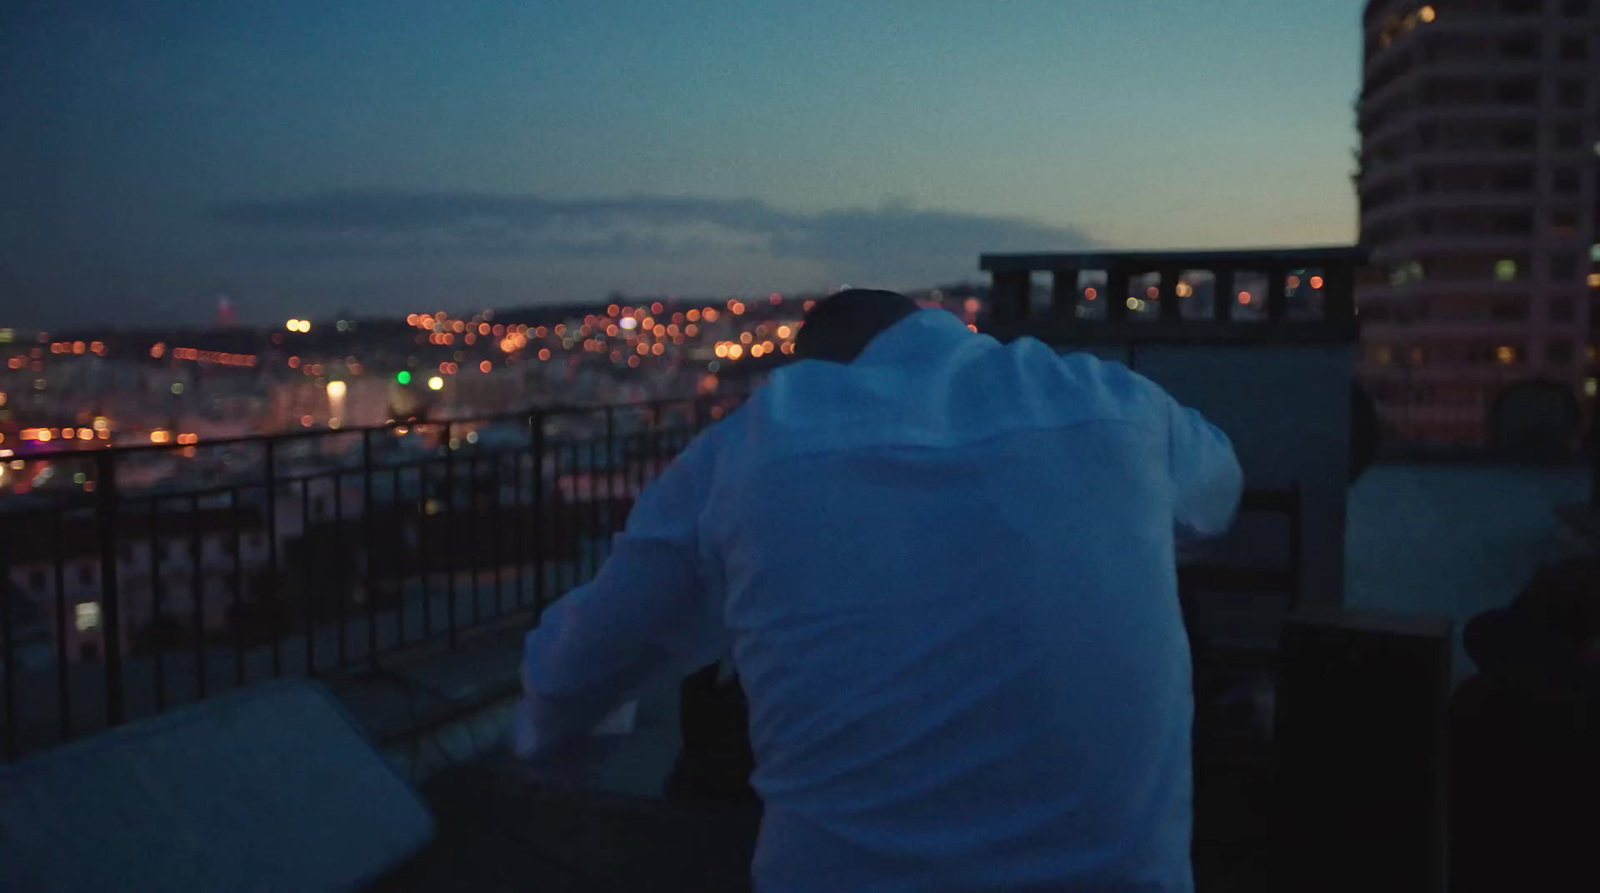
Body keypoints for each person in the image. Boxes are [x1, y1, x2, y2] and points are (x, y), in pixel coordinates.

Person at [513, 289, 1243, 893]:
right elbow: (1217, 498)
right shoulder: (1115, 404)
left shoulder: (752, 446)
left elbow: (579, 661)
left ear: (815, 368)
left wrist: (555, 756)